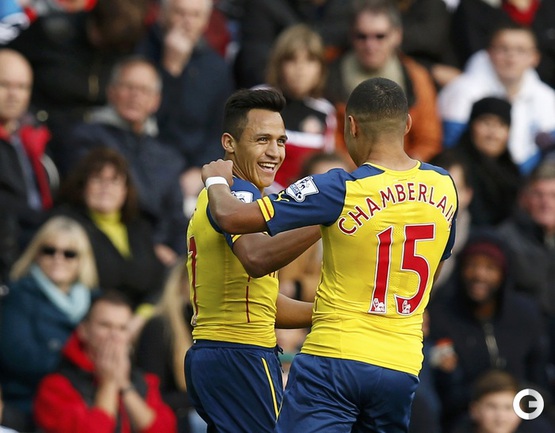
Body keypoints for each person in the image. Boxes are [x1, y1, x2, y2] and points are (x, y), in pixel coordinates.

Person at [200, 77, 458, 432]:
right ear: (408, 124)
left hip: (335, 359)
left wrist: (215, 180)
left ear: (351, 126)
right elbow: (434, 270)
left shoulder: (340, 187)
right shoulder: (444, 185)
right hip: (401, 365)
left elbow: (231, 218)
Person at [184, 87, 321, 433]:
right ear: (229, 143)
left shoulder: (225, 198)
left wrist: (334, 311)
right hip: (242, 356)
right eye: (262, 140)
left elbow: (261, 305)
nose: (274, 152)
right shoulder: (237, 193)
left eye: (281, 141)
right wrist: (325, 219)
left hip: (216, 354)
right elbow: (256, 258)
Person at [63, 56, 188, 263]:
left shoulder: (168, 156)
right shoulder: (86, 138)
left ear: (155, 101)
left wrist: (179, 259)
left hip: (163, 254)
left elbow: (176, 218)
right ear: (111, 92)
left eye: (144, 90)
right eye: (128, 87)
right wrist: (150, 247)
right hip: (107, 245)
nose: (135, 96)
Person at [427, 231, 550, 431]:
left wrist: (515, 403)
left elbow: (539, 376)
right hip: (466, 413)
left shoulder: (525, 314)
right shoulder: (441, 315)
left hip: (520, 408)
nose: (479, 275)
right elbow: (442, 394)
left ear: (503, 273)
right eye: (472, 265)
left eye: (490, 268)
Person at [137, 0, 235, 217]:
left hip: (193, 172)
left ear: (206, 21)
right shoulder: (140, 52)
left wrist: (201, 168)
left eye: (195, 15)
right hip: (145, 164)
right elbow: (146, 120)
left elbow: (219, 130)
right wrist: (170, 69)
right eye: (180, 13)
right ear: (162, 15)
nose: (187, 22)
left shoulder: (216, 67)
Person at [0, 215, 99, 432]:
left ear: (83, 259)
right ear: (36, 253)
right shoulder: (18, 296)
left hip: (85, 401)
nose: (58, 258)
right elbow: (18, 357)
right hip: (30, 405)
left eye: (69, 253)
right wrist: (83, 365)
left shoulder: (95, 302)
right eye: (49, 250)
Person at [54, 147, 167, 336]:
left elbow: (158, 281)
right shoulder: (66, 225)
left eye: (114, 181)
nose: (106, 188)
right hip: (90, 327)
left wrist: (141, 318)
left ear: (125, 190)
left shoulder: (139, 227)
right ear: (83, 186)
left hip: (140, 325)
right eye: (98, 180)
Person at [33, 291, 177, 433]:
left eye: (122, 328)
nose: (114, 335)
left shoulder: (144, 381)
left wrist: (125, 386)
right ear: (83, 330)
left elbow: (165, 429)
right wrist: (108, 384)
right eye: (105, 326)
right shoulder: (55, 386)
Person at [325, 0, 442, 163]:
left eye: (380, 36)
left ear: (397, 35)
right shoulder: (325, 71)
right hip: (344, 171)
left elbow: (428, 140)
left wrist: (403, 168)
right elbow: (326, 137)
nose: (370, 45)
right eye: (361, 36)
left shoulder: (416, 77)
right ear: (351, 35)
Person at [438, 23, 555, 174]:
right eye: (503, 49)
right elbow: (451, 146)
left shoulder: (548, 98)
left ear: (535, 57)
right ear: (489, 53)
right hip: (472, 176)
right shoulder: (462, 91)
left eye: (521, 50)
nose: (511, 57)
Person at [497, 160, 555, 384]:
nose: (545, 203)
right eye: (538, 194)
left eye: (552, 195)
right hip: (521, 340)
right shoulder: (505, 239)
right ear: (525, 198)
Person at [0, 48, 56, 282]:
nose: (14, 95)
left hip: (37, 243)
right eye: (4, 85)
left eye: (22, 87)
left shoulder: (35, 135)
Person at [263, 23, 338, 190]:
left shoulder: (326, 112)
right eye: (291, 59)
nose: (300, 69)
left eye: (310, 60)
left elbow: (325, 170)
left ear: (321, 68)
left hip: (308, 200)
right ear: (278, 64)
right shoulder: (259, 101)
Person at [135, 257, 205, 433]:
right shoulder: (158, 327)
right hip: (175, 417)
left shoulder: (207, 327)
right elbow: (153, 395)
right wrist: (206, 397)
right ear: (180, 284)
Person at [451, 96, 521, 227]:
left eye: (501, 125)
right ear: (472, 125)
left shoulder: (512, 171)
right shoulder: (453, 166)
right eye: (486, 123)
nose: (493, 134)